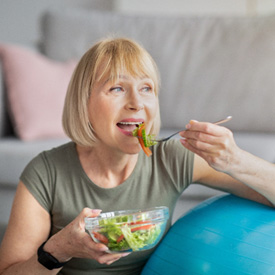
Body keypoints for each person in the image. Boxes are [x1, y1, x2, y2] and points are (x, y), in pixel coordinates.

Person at [0, 37, 274, 275]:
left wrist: (235, 160)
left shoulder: (171, 157)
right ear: (84, 103)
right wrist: (59, 249)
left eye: (146, 88)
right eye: (117, 88)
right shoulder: (46, 172)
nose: (137, 102)